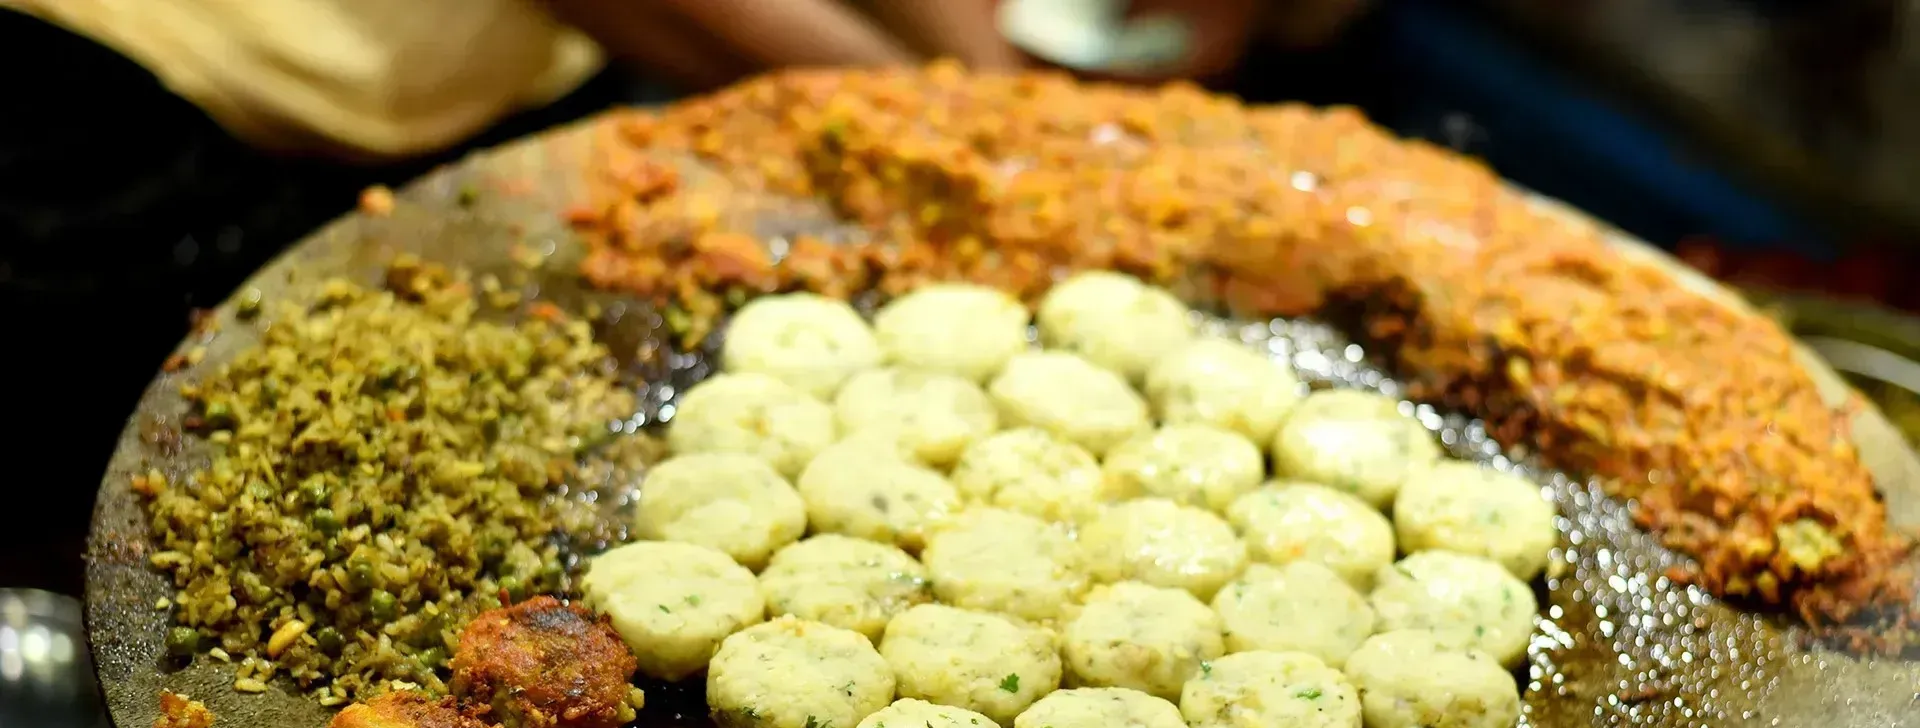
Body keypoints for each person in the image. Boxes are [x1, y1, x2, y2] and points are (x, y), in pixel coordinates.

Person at [0, 0, 1366, 592]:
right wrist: (958, 109)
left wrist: (984, 78)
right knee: (141, 507)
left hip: (486, 72)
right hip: (148, 98)